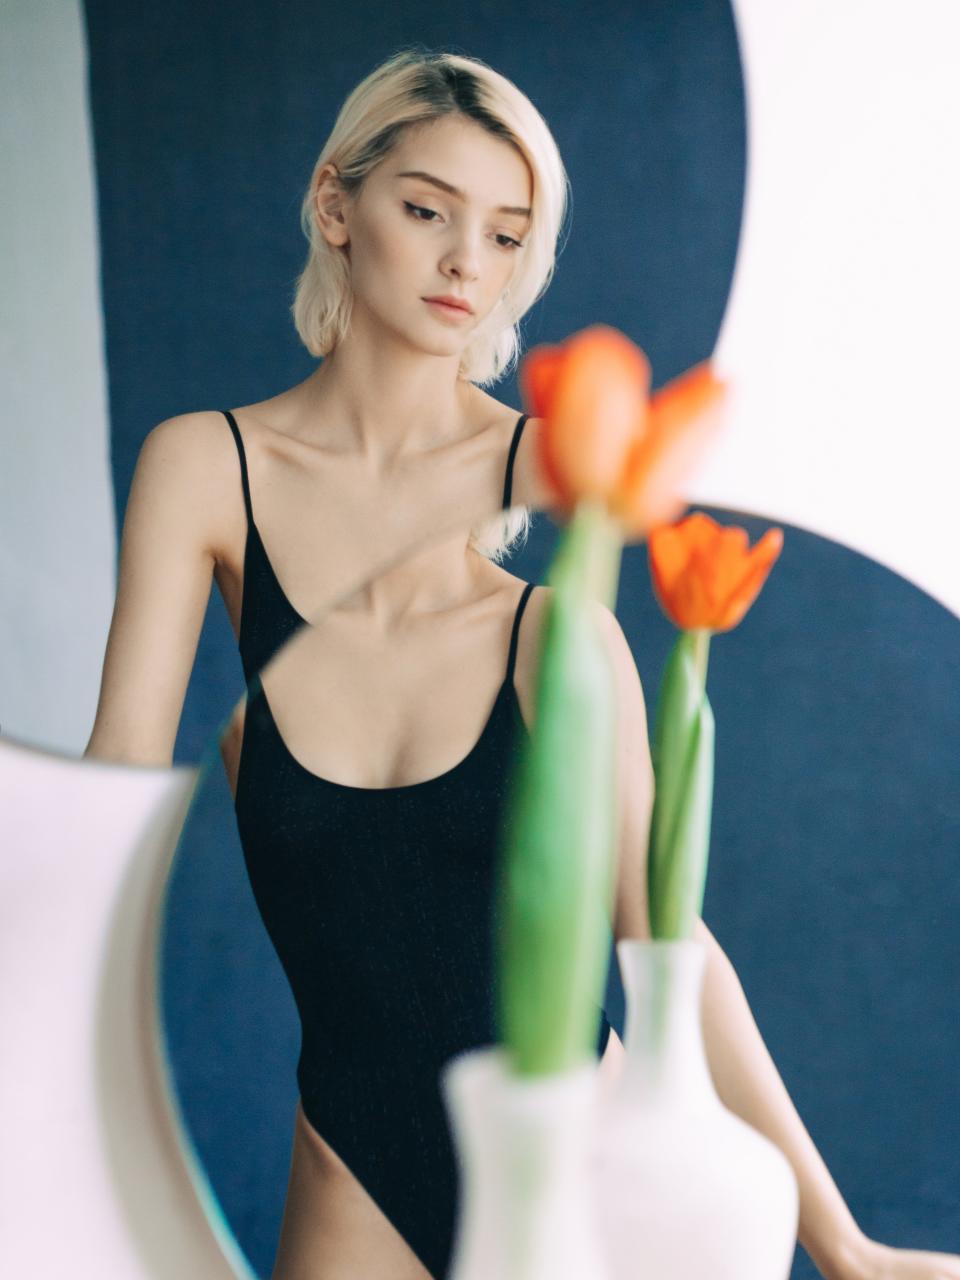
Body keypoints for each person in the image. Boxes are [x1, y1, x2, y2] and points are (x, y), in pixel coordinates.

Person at [84, 46, 960, 1280]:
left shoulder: (573, 505)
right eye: (427, 210)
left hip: (586, 1169)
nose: (464, 264)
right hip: (351, 1171)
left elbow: (669, 949)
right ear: (337, 205)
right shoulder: (208, 468)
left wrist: (844, 1245)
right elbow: (100, 817)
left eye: (506, 234)